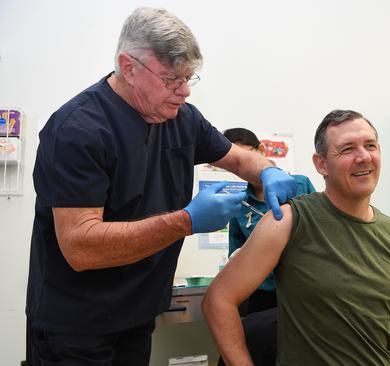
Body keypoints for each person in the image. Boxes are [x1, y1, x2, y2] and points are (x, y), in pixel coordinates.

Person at [25, 7, 296, 365]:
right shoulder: (79, 130)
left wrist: (267, 172)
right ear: (128, 66)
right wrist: (187, 220)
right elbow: (81, 247)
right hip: (76, 327)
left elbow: (238, 158)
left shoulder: (182, 118)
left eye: (190, 77)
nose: (184, 90)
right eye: (172, 79)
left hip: (138, 315)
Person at [203, 110, 390, 365]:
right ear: (321, 164)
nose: (363, 156)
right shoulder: (289, 220)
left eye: (370, 145)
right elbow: (219, 300)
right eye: (347, 149)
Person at [223, 127, 316, 315]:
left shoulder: (300, 185)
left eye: (245, 155)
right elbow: (235, 254)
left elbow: (320, 231)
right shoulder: (239, 204)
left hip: (304, 291)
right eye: (232, 162)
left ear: (262, 151)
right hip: (262, 295)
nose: (241, 165)